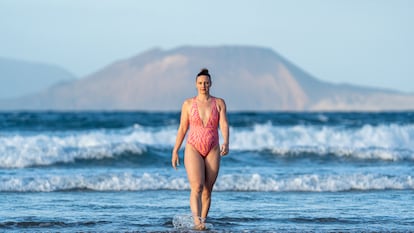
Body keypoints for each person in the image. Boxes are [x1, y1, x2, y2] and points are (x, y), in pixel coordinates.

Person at [171, 68, 229, 230]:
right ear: (196, 84)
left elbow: (223, 123)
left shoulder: (219, 103)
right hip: (193, 147)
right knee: (197, 186)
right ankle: (197, 222)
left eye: (206, 83)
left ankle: (202, 222)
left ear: (211, 84)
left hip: (213, 148)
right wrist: (175, 150)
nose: (203, 85)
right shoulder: (188, 104)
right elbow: (182, 128)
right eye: (200, 83)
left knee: (208, 190)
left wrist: (227, 142)